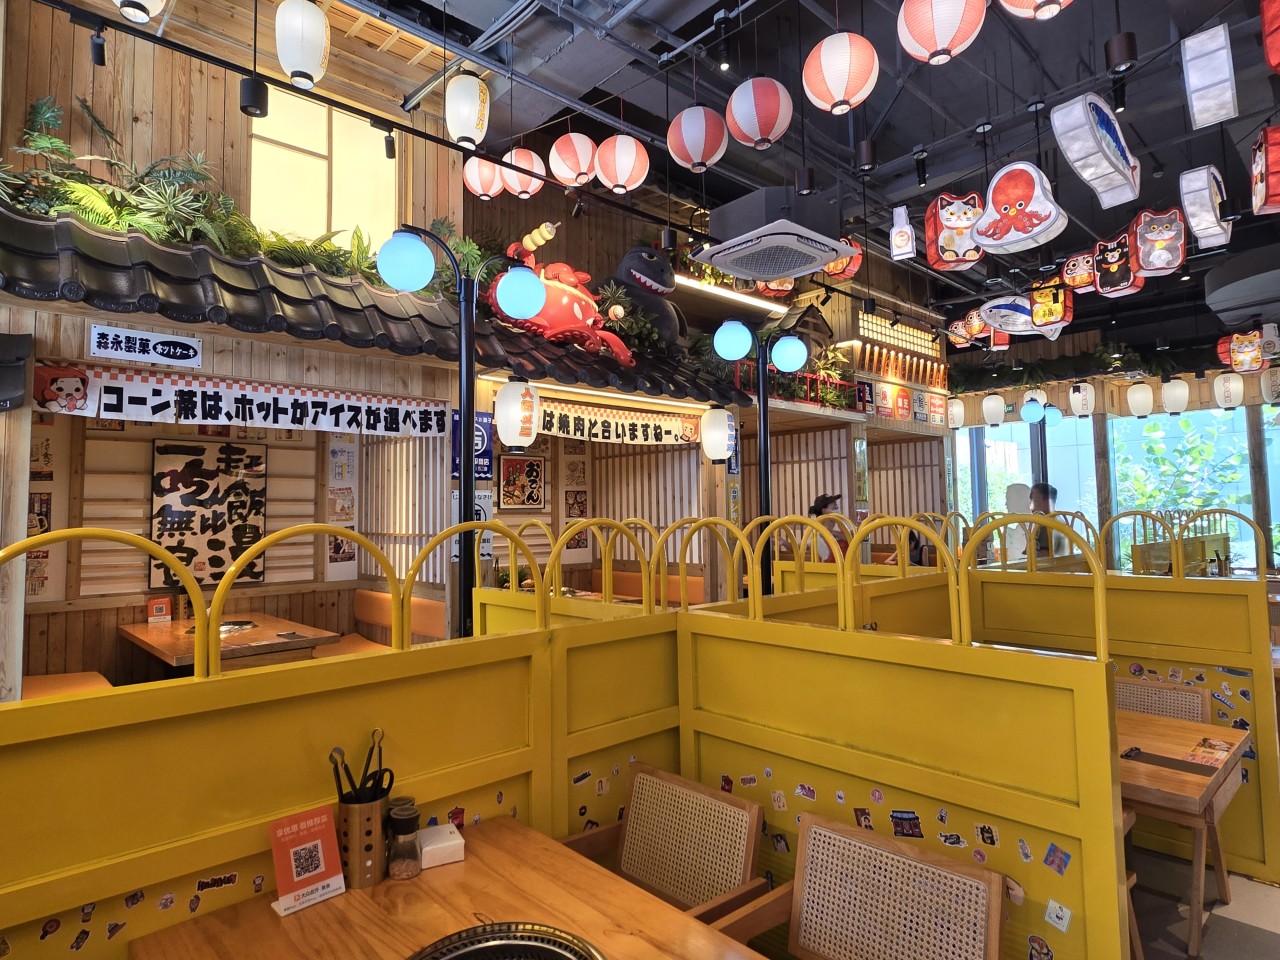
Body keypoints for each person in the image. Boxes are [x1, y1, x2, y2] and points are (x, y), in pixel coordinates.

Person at [1029, 482, 1069, 557]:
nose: (1030, 506)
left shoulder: (1046, 525)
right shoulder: (1060, 521)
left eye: (1034, 500)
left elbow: (1044, 556)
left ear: (1047, 502)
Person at [807, 493, 849, 560]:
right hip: (829, 565)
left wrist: (831, 532)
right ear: (824, 511)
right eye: (833, 505)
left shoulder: (843, 522)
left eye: (835, 504)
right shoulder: (816, 533)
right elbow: (801, 547)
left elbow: (853, 538)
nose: (836, 505)